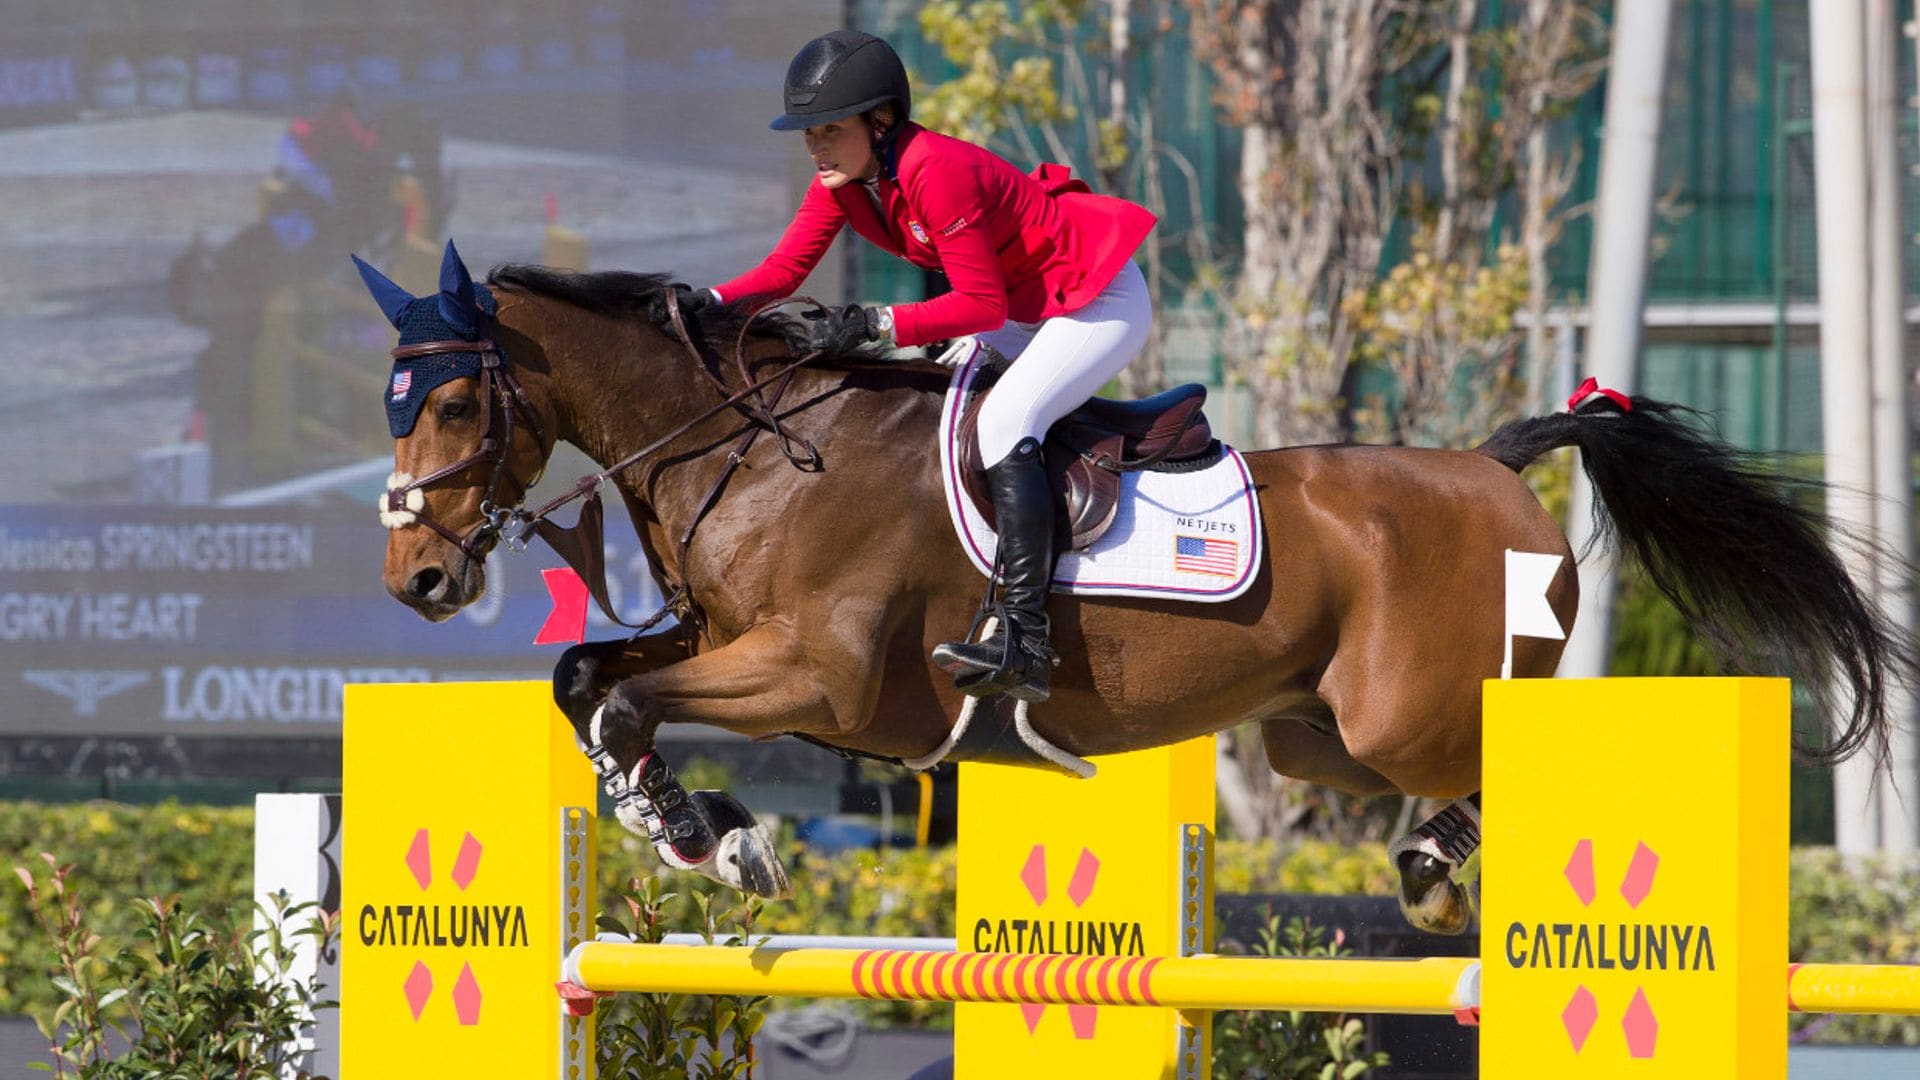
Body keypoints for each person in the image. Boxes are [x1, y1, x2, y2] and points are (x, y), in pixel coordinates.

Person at [655, 30, 1155, 704]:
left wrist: (876, 323)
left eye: (830, 128)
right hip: (1025, 305)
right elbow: (783, 272)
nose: (816, 145)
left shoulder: (934, 170)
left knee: (1006, 421)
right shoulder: (846, 183)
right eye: (809, 132)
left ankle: (1028, 640)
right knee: (941, 408)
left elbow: (979, 304)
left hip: (1096, 298)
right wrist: (704, 303)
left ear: (880, 121)